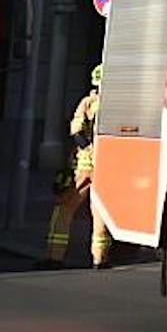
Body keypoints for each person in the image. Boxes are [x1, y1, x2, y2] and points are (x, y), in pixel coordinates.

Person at [46, 64, 112, 268]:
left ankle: (54, 258)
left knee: (64, 209)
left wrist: (85, 150)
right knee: (100, 212)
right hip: (106, 166)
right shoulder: (113, 104)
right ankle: (100, 259)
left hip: (84, 166)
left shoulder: (88, 103)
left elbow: (77, 133)